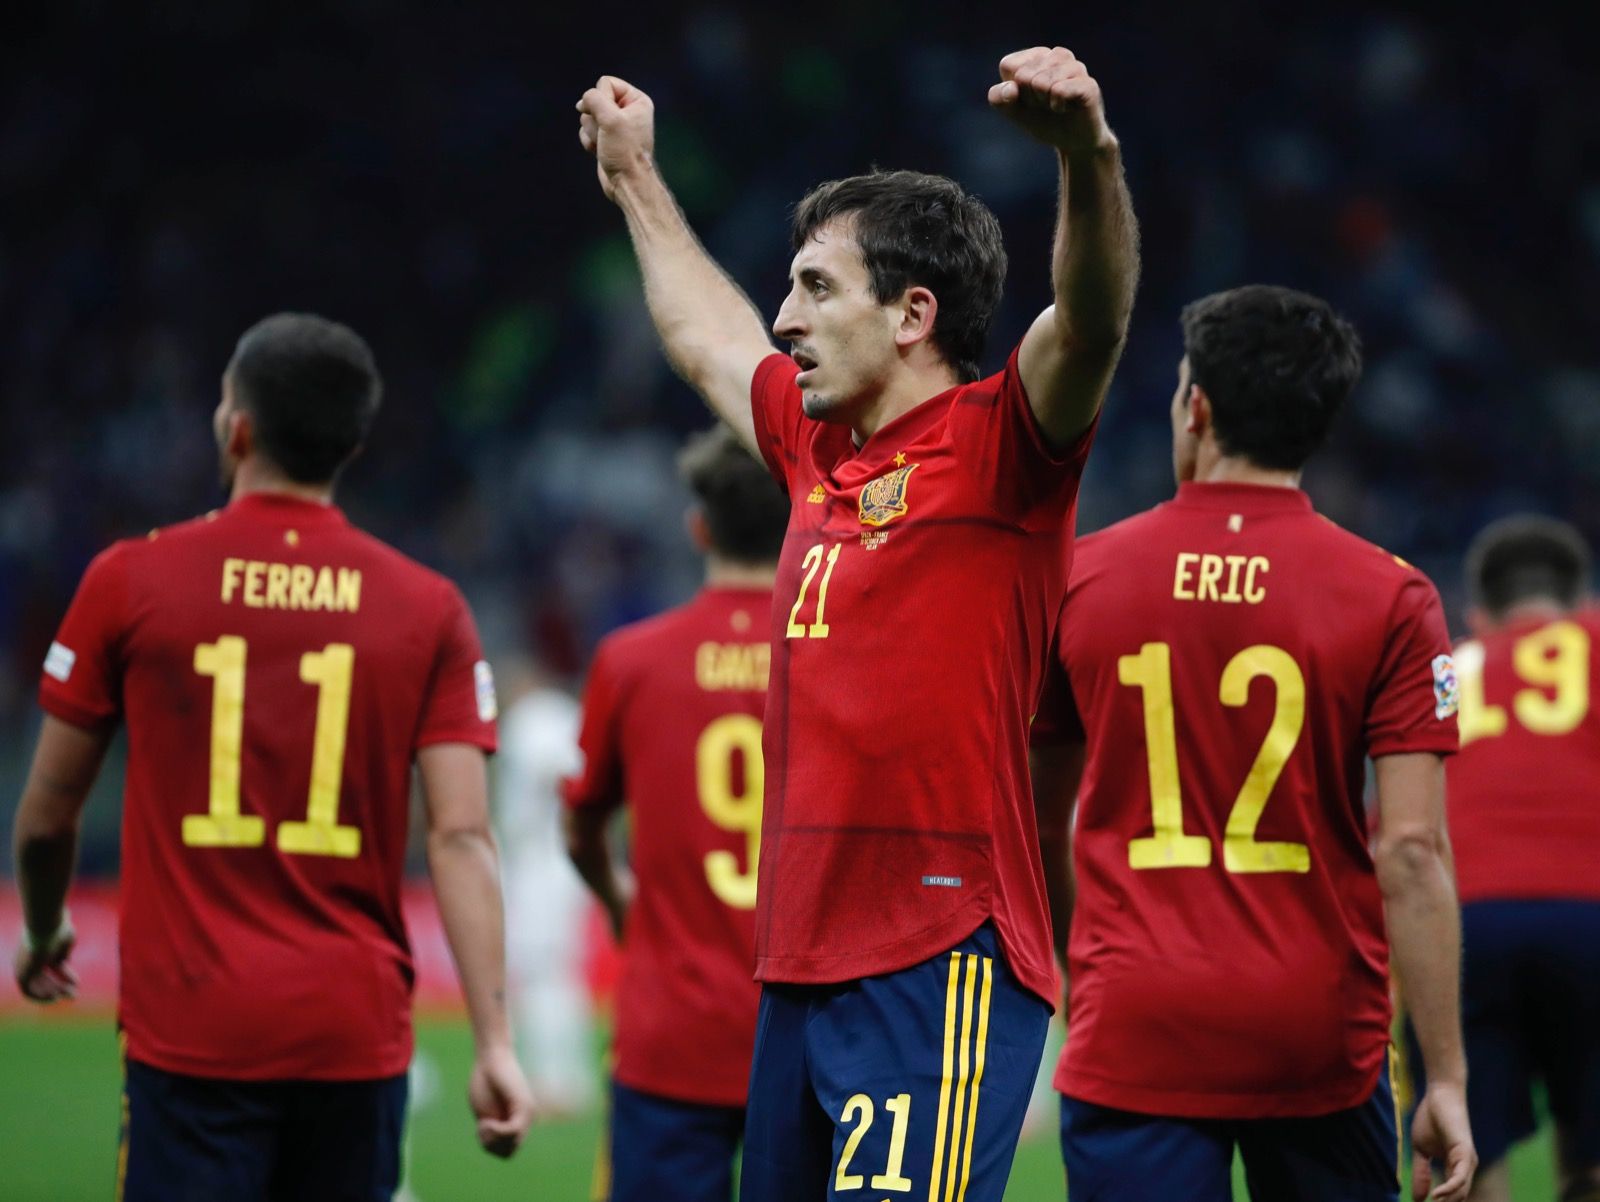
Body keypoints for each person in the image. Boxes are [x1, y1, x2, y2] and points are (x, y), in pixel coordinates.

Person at [578, 44, 1139, 1199]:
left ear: (912, 314)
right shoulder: (816, 447)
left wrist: (1087, 157)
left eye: (816, 289)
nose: (785, 318)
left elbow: (1089, 322)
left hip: (938, 952)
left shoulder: (1004, 445)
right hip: (795, 962)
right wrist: (634, 178)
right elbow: (706, 338)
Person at [11, 313, 534, 1201]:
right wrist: (494, 1044)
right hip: (352, 1035)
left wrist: (43, 926)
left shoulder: (129, 580)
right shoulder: (428, 606)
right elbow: (460, 837)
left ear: (237, 428)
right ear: (352, 445)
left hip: (192, 1031)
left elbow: (47, 816)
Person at [1030, 285, 1477, 1202]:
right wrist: (1446, 1078)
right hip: (1318, 1031)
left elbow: (1037, 820)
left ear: (1195, 409)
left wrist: (1085, 975)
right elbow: (1412, 850)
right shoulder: (1393, 596)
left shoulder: (1079, 577)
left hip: (1137, 1014)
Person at [563, 424, 789, 1202]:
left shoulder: (631, 660)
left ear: (699, 529)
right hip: (801, 1032)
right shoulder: (841, 654)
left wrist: (618, 901)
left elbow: (581, 826)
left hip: (671, 1031)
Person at [1423, 516, 1600, 1202]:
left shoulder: (1449, 666)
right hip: (1590, 909)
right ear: (1582, 602)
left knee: (1470, 1152)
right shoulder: (1594, 640)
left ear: (1479, 614)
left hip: (1465, 922)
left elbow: (1402, 815)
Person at [493, 656, 595, 1115]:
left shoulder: (529, 720)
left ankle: (555, 1080)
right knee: (558, 972)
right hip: (565, 855)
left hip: (540, 857)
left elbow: (549, 779)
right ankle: (566, 1076)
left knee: (542, 971)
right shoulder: (565, 713)